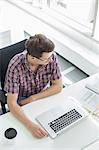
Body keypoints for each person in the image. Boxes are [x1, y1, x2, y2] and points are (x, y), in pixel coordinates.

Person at [4, 34, 62, 138]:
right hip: (20, 98)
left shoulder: (51, 57)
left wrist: (33, 98)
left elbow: (58, 86)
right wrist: (29, 125)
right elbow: (11, 103)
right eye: (46, 59)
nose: (51, 60)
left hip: (42, 94)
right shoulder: (15, 65)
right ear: (32, 57)